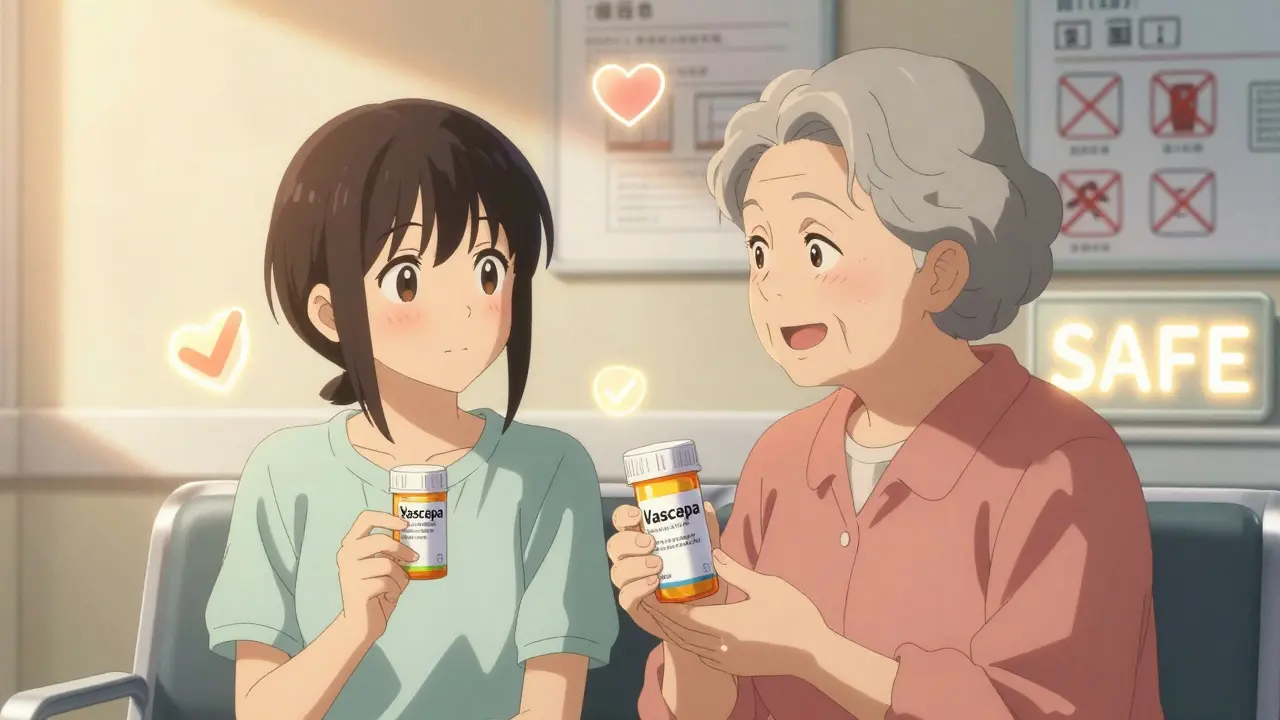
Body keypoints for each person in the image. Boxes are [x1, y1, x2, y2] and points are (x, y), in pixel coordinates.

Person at [607, 48, 1164, 719]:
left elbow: (1047, 708)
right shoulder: (783, 459)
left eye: (818, 248)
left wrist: (814, 652)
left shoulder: (1064, 463)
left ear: (941, 272)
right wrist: (690, 629)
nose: (774, 286)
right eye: (760, 248)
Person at [205, 100, 619, 720]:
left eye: (487, 270)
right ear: (330, 314)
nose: (465, 313)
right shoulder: (283, 473)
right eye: (407, 278)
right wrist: (353, 628)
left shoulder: (549, 472)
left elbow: (551, 708)